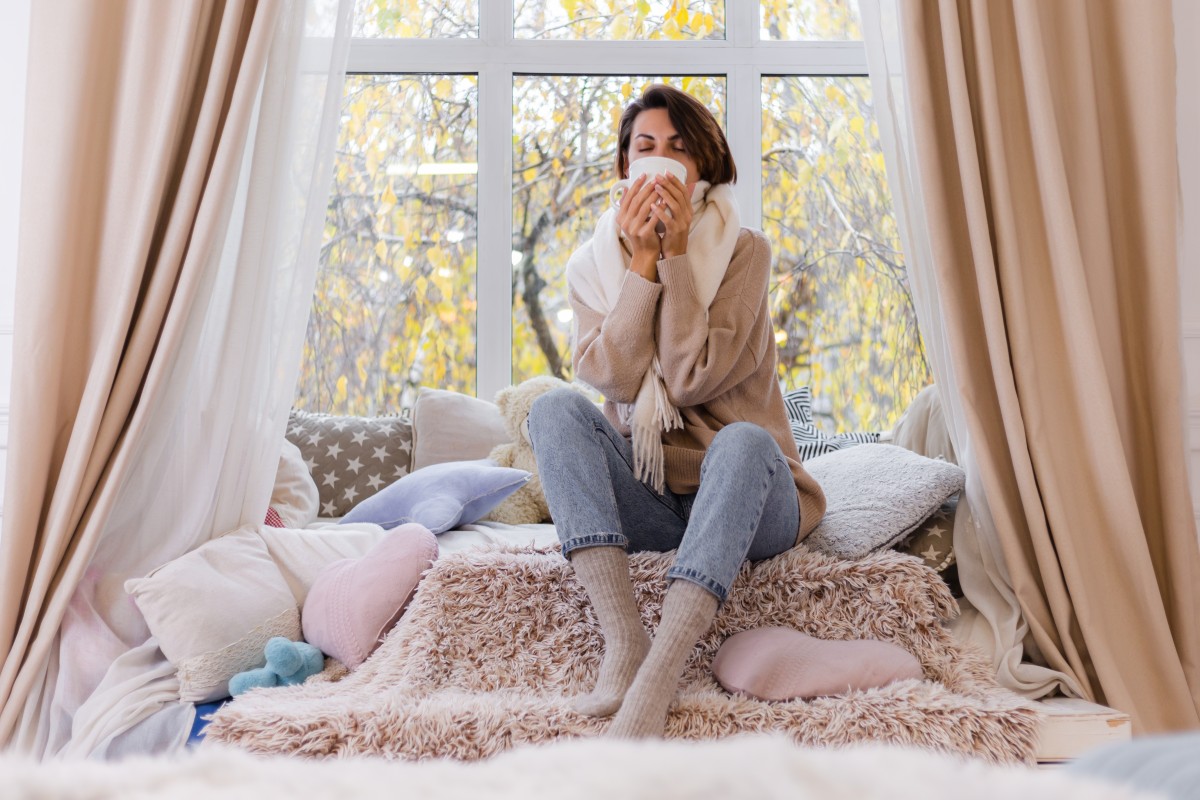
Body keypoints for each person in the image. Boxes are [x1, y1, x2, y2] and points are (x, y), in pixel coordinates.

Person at [527, 84, 826, 739]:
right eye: (646, 147)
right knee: (553, 410)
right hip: (657, 494)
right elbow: (613, 377)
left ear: (702, 167)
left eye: (678, 149)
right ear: (625, 167)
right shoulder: (591, 267)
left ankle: (659, 675)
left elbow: (690, 378)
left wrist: (678, 256)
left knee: (743, 441)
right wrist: (642, 262)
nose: (660, 161)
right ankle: (624, 640)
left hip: (752, 498)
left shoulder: (745, 251)